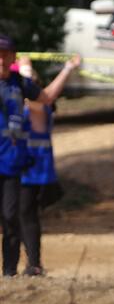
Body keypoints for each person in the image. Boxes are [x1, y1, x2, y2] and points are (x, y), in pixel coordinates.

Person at [0, 33, 77, 276]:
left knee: (14, 216)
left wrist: (67, 69)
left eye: (5, 55)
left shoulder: (23, 89)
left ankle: (14, 269)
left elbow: (45, 96)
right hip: (18, 165)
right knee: (16, 215)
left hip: (17, 166)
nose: (1, 60)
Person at [17, 54, 81, 276]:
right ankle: (24, 264)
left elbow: (50, 94)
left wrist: (67, 69)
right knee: (18, 214)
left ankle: (33, 264)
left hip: (34, 171)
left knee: (26, 214)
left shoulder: (38, 105)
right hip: (22, 169)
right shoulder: (17, 105)